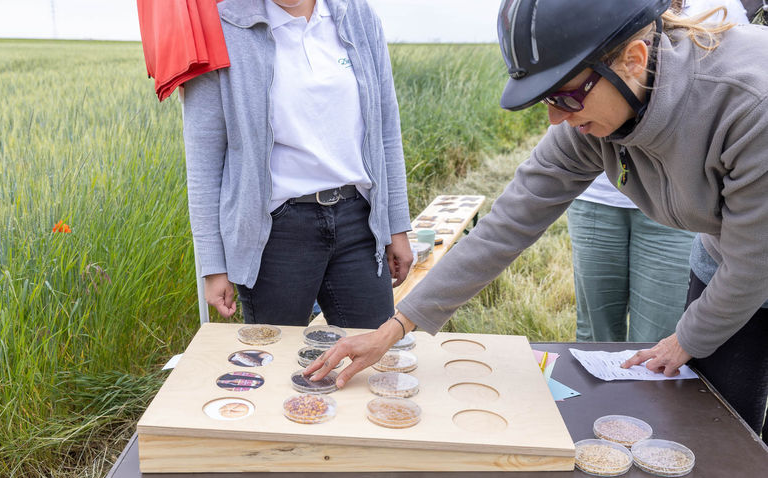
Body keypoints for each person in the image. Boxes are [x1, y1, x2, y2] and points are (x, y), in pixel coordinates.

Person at [307, 0, 768, 440]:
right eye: (546, 98)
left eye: (564, 96)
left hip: (753, 256)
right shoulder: (593, 119)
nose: (554, 118)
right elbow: (507, 225)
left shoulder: (751, 104)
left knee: (739, 439)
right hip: (725, 255)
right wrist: (395, 328)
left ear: (633, 59)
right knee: (717, 414)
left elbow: (754, 264)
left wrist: (684, 338)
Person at [182, 0, 413, 329]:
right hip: (274, 235)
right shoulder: (221, 28)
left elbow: (386, 130)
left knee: (373, 348)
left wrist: (396, 227)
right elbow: (204, 160)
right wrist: (213, 265)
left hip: (359, 221)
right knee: (276, 356)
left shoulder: (358, 16)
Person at [567, 0, 748, 343]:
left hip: (677, 211)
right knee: (594, 333)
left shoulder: (722, 8)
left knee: (656, 337)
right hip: (596, 199)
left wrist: (689, 341)